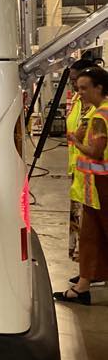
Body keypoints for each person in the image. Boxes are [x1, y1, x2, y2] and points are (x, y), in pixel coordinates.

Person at [56, 64, 108, 305]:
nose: (80, 93)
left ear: (100, 87)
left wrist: (76, 141)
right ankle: (84, 284)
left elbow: (96, 152)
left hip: (99, 187)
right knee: (90, 235)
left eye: (85, 88)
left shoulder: (99, 116)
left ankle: (83, 286)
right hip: (94, 186)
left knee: (93, 235)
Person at [66, 57, 100, 262]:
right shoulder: (79, 102)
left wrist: (76, 141)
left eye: (78, 83)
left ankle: (91, 271)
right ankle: (86, 269)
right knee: (83, 226)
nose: (75, 88)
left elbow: (88, 143)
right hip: (78, 172)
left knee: (91, 228)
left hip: (94, 177)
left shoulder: (99, 111)